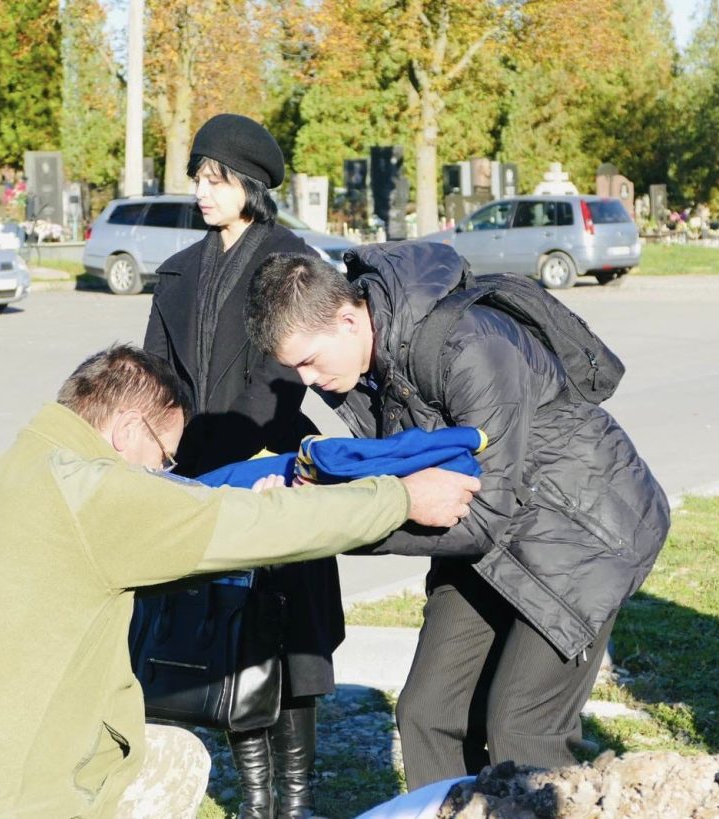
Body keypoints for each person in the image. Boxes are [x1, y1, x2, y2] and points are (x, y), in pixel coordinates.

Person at [0, 344, 479, 819]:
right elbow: (248, 526)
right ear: (128, 429)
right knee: (178, 760)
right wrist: (398, 496)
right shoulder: (96, 492)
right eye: (164, 459)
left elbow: (97, 576)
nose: (165, 474)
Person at [245, 246, 671, 791]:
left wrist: (334, 520)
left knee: (522, 725)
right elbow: (408, 478)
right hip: (488, 543)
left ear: (349, 319)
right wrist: (323, 489)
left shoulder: (471, 346)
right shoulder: (367, 368)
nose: (305, 380)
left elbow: (485, 512)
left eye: (307, 360)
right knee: (427, 714)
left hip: (582, 538)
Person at [142, 113, 340, 818]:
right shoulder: (180, 271)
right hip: (196, 475)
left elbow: (284, 375)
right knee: (228, 637)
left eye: (214, 178)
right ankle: (255, 798)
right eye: (198, 176)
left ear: (249, 185)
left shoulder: (287, 260)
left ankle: (297, 799)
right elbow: (156, 377)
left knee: (289, 643)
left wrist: (222, 457)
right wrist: (162, 451)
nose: (202, 190)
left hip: (270, 467)